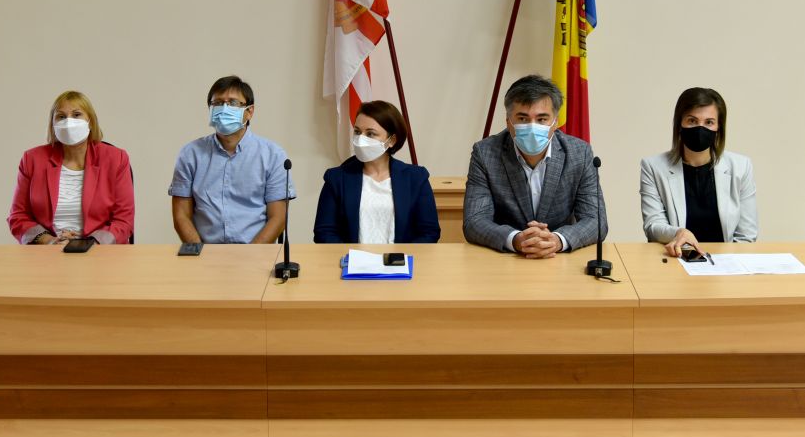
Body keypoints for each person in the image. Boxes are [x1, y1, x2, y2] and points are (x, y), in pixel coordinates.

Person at [463, 74, 606, 257]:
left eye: (542, 119)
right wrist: (516, 239)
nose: (532, 127)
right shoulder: (485, 153)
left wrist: (557, 240)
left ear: (555, 122)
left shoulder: (579, 153)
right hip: (506, 259)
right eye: (523, 119)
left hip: (558, 259)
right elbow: (474, 221)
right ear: (508, 121)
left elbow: (596, 220)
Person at [169, 75, 293, 244]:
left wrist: (251, 254)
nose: (224, 108)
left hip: (255, 252)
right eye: (218, 103)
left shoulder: (273, 156)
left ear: (249, 112)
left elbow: (278, 218)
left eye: (233, 103)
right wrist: (199, 252)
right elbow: (181, 215)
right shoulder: (190, 154)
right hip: (204, 252)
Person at [640, 87, 757, 256]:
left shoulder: (741, 166)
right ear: (679, 124)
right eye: (692, 121)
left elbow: (747, 235)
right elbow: (653, 226)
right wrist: (678, 232)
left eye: (709, 122)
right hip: (676, 259)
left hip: (726, 263)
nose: (700, 128)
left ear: (719, 128)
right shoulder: (653, 167)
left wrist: (729, 264)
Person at [8, 90, 134, 245]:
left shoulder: (116, 159)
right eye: (61, 117)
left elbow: (124, 220)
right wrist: (50, 241)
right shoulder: (32, 159)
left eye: (76, 115)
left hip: (100, 252)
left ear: (90, 121)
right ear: (53, 125)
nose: (68, 122)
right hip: (47, 252)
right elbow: (18, 216)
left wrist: (86, 244)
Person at [313, 100, 440, 244]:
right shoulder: (336, 178)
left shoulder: (416, 178)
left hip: (400, 258)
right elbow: (324, 233)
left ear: (392, 140)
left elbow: (429, 232)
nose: (361, 139)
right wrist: (351, 256)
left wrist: (401, 256)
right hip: (351, 258)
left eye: (370, 134)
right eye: (357, 132)